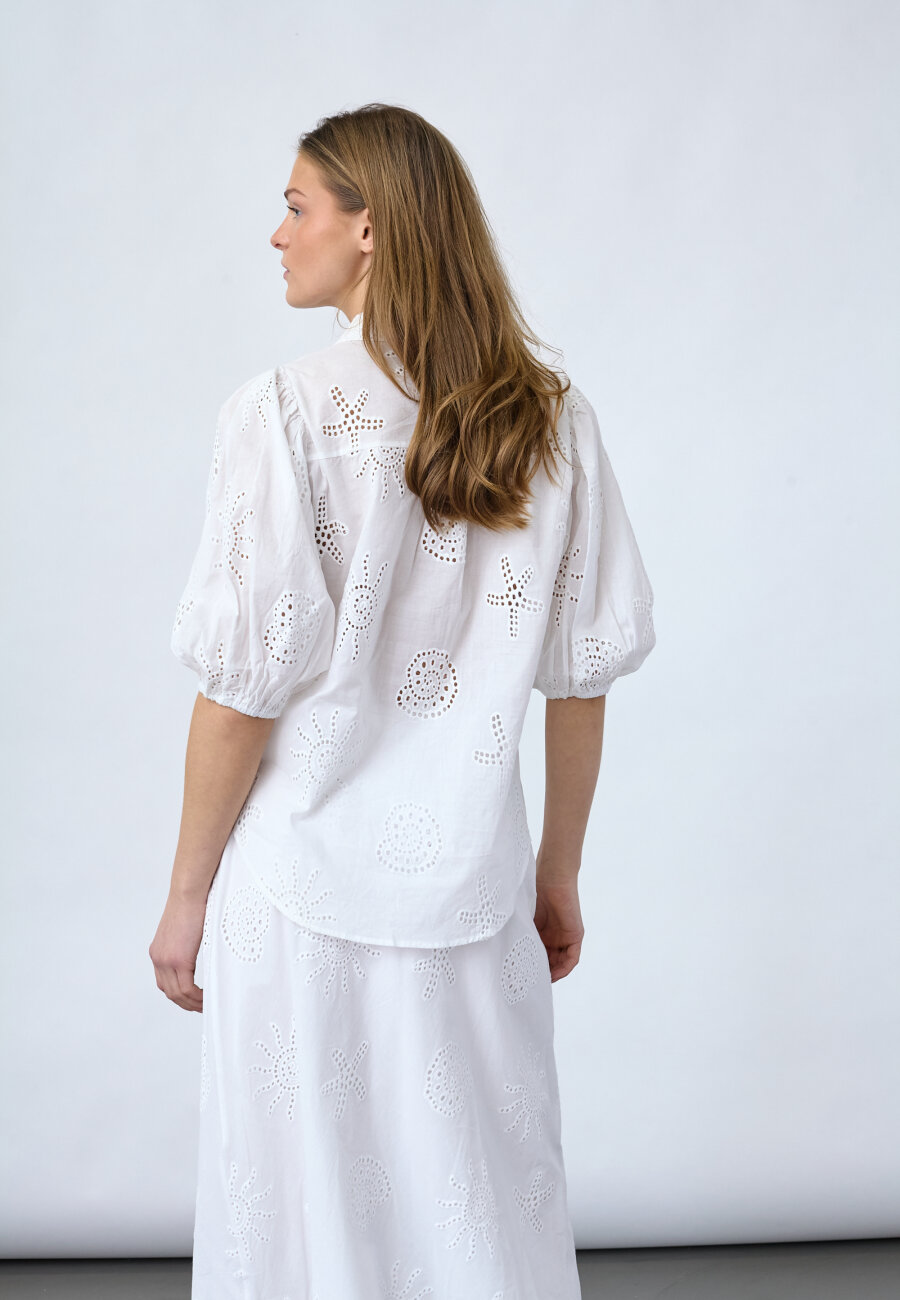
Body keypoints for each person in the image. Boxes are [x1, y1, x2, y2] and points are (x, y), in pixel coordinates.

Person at [149, 102, 656, 1300]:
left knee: (303, 1212)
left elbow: (241, 694)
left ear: (369, 228)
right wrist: (558, 874)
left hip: (298, 887)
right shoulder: (553, 421)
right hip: (478, 887)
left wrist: (186, 895)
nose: (278, 235)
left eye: (297, 207)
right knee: (482, 1201)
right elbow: (579, 680)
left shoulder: (281, 414)